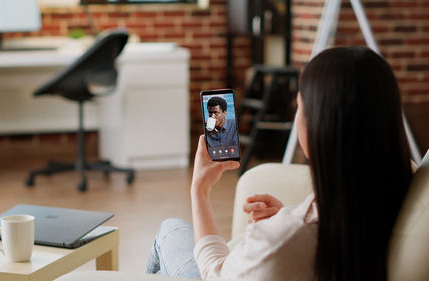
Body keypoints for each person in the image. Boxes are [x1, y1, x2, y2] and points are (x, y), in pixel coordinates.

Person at [146, 46, 413, 281]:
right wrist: (289, 214)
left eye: (299, 108)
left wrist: (199, 190)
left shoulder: (287, 238)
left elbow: (215, 274)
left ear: (319, 127)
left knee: (169, 230)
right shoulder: (393, 183)